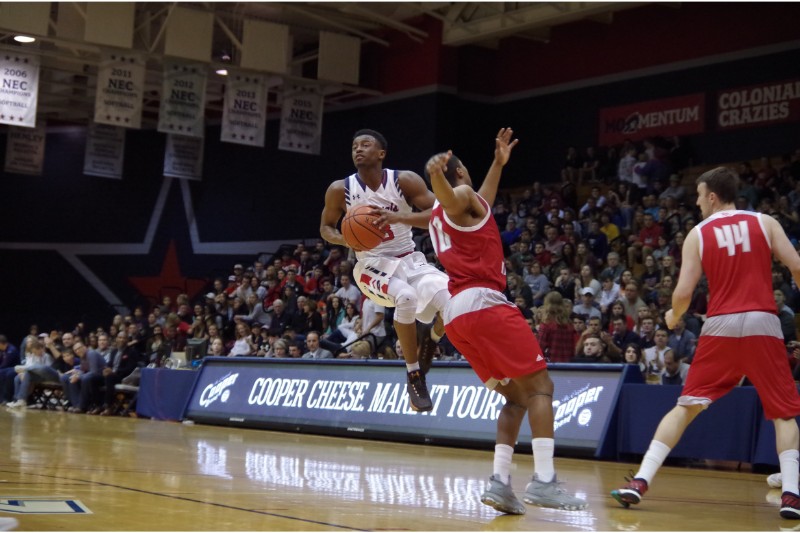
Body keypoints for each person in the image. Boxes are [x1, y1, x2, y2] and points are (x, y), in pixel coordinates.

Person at [611, 166, 800, 519]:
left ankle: (639, 481)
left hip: (721, 325)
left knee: (686, 406)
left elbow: (684, 293)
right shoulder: (765, 222)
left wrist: (673, 316)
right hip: (763, 321)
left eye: (699, 196)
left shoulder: (698, 233)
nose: (697, 203)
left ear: (712, 196)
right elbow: (797, 266)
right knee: (783, 413)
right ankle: (791, 494)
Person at [426, 128, 586, 515]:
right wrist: (436, 176)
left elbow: (480, 197)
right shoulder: (457, 198)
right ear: (461, 174)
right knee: (540, 388)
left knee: (514, 397)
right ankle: (545, 481)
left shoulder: (447, 215)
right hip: (485, 304)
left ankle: (500, 483)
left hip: (456, 315)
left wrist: (498, 164)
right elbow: (455, 196)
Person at [320, 129, 450, 412]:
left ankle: (432, 339)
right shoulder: (339, 189)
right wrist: (348, 238)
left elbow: (439, 216)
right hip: (370, 267)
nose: (358, 149)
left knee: (453, 301)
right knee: (405, 298)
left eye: (365, 145)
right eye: (354, 145)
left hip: (409, 259)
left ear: (381, 153)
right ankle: (414, 374)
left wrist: (400, 216)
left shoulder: (404, 180)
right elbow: (326, 227)